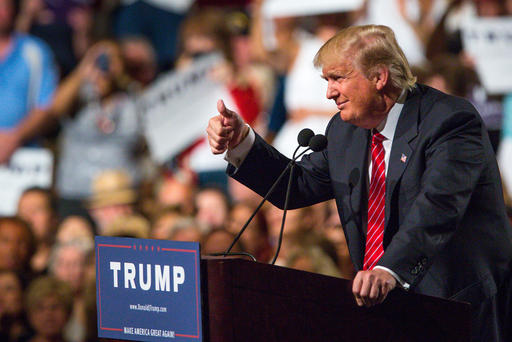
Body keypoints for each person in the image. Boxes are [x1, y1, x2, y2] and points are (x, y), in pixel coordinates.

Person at [206, 25, 512, 341]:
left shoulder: (449, 120)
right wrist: (243, 143)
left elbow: (437, 207)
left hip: (456, 307)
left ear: (379, 77)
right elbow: (295, 185)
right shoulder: (343, 131)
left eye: (338, 78)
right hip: (383, 308)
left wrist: (388, 269)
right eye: (327, 81)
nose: (329, 92)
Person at [0, 0, 58, 164]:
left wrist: (12, 139)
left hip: (25, 158)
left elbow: (46, 105)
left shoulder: (35, 52)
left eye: (4, 7)